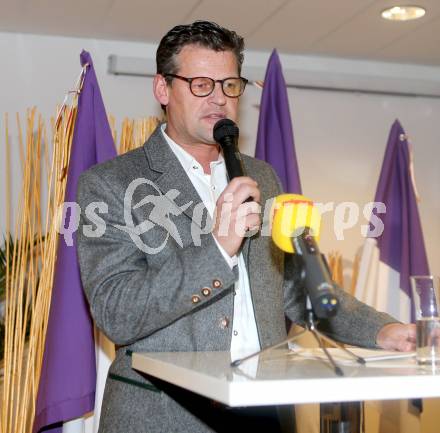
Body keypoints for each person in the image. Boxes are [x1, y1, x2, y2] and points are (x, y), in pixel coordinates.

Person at [76, 20, 416, 433]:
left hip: (262, 409)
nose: (219, 98)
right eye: (202, 84)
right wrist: (217, 246)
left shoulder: (262, 177)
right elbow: (117, 312)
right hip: (163, 416)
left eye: (230, 85)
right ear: (163, 90)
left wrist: (384, 330)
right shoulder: (111, 183)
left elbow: (296, 287)